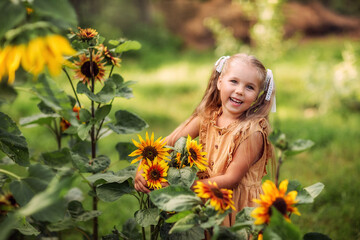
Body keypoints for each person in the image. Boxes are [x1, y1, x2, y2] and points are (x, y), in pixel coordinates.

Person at [134, 53, 276, 226]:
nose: (239, 91)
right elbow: (170, 141)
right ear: (220, 81)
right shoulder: (207, 116)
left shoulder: (252, 132)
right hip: (206, 197)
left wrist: (180, 189)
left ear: (257, 96)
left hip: (235, 207)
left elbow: (231, 180)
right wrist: (143, 167)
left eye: (250, 87)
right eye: (234, 81)